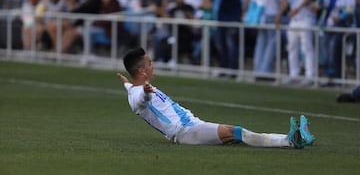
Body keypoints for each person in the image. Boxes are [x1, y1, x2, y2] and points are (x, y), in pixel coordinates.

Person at [116, 47, 315, 148]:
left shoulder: (134, 88)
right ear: (142, 70)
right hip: (186, 132)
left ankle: (292, 138)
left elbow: (131, 89)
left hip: (192, 125)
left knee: (235, 136)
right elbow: (139, 100)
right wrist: (144, 91)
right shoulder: (139, 94)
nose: (153, 66)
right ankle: (288, 141)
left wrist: (126, 82)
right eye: (149, 63)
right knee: (236, 132)